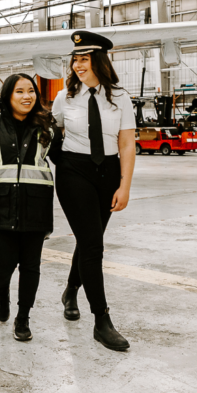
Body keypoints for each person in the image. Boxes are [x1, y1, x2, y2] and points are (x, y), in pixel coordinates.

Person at [51, 30, 136, 352]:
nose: (78, 65)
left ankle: (71, 289)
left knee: (91, 239)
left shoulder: (120, 97)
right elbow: (52, 128)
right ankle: (101, 320)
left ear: (99, 60)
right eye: (75, 59)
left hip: (109, 172)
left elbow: (127, 143)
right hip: (74, 171)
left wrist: (124, 185)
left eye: (84, 59)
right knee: (92, 245)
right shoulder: (65, 97)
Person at [0, 73, 62, 342]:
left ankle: (23, 317)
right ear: (7, 96)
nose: (27, 96)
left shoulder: (48, 126)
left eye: (31, 91)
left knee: (30, 265)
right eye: (19, 91)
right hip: (1, 205)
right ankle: (2, 293)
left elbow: (64, 159)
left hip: (36, 207)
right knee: (4, 264)